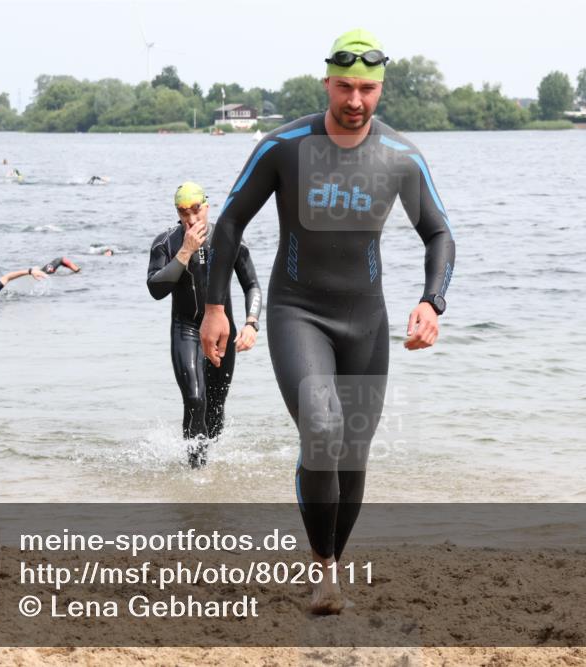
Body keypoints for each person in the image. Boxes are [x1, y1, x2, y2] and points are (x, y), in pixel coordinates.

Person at [199, 29, 455, 614]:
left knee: (353, 453)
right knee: (321, 428)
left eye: (368, 89)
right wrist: (216, 307)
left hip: (367, 321)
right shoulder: (283, 146)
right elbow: (230, 223)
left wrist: (431, 301)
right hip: (298, 313)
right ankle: (324, 573)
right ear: (327, 83)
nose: (356, 101)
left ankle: (333, 562)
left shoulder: (401, 157)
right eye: (345, 87)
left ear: (380, 88)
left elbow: (438, 232)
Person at [147, 182, 262, 468]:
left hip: (222, 332)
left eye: (196, 210)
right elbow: (155, 289)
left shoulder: (227, 238)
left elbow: (252, 285)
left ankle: (207, 460)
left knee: (215, 406)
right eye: (183, 212)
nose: (191, 218)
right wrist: (185, 252)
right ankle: (195, 471)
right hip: (186, 328)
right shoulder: (167, 242)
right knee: (195, 399)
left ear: (207, 207)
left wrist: (251, 324)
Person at [0, 257, 80, 302]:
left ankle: (73, 268)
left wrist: (30, 271)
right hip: (31, 277)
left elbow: (8, 277)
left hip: (32, 274)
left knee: (50, 268)